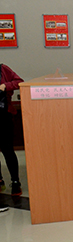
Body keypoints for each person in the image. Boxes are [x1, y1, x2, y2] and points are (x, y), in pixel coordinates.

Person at [0, 63, 24, 196]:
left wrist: (5, 86)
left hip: (4, 115)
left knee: (7, 150)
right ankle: (0, 180)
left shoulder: (3, 69)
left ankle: (15, 181)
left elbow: (19, 82)